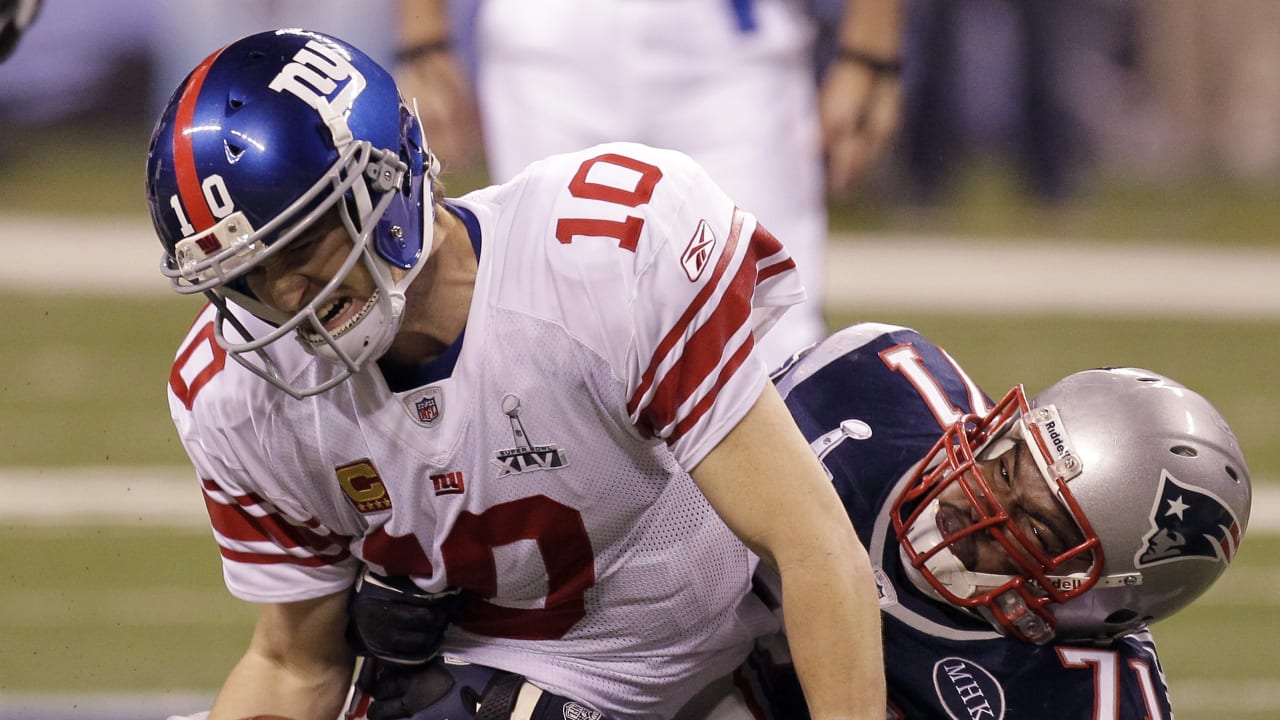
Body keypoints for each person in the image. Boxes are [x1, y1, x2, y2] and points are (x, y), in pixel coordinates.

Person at [145, 29, 885, 720]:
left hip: (750, 618)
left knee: (931, 471)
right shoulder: (236, 395)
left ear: (387, 177)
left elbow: (813, 547)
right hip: (530, 687)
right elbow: (293, 663)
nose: (283, 296)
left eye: (301, 240)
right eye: (248, 275)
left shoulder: (597, 256)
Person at [755, 321, 1252, 717]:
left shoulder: (1094, 699)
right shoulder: (870, 386)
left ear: (1102, 599)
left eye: (1035, 529)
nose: (982, 502)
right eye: (1007, 466)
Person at [394, 0, 905, 368]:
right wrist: (423, 35)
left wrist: (871, 46)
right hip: (548, 37)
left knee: (771, 340)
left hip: (731, 44)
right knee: (554, 344)